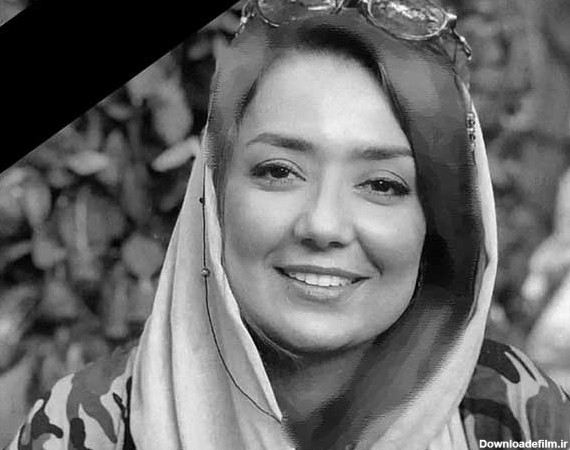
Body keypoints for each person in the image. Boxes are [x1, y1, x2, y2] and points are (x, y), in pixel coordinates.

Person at [6, 1, 570, 449]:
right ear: (213, 196)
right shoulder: (87, 426)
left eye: (382, 184)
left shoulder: (520, 418)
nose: (323, 224)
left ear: (438, 227)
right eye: (279, 171)